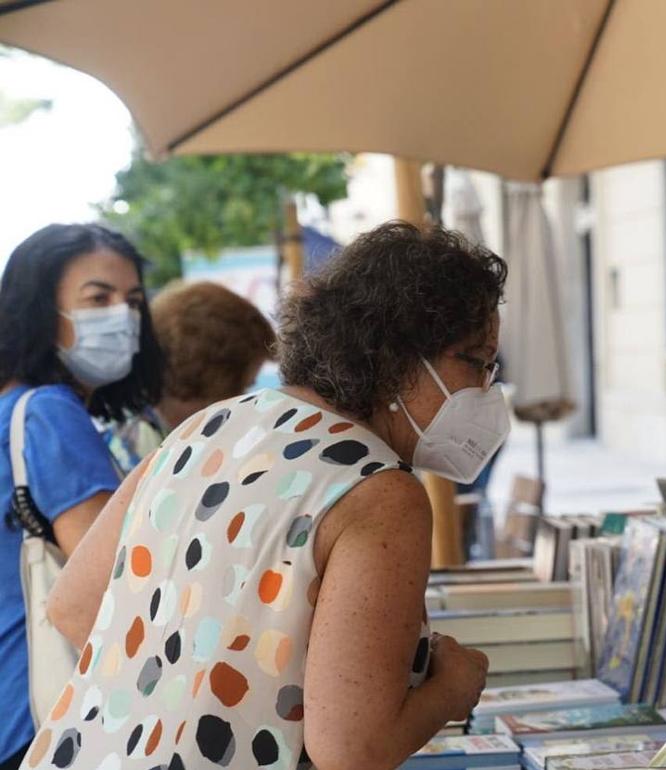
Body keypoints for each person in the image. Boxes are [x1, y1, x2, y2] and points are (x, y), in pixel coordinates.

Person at [30, 222, 500, 770]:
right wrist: (454, 687)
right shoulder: (380, 491)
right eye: (475, 360)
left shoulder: (206, 427)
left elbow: (74, 605)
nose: (486, 387)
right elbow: (353, 751)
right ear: (398, 353)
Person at [0, 223, 163, 769]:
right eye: (98, 298)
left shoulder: (10, 410)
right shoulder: (49, 411)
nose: (122, 315)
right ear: (40, 311)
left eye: (134, 301)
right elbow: (109, 583)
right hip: (45, 713)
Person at [103, 281, 276, 472]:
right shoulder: (141, 444)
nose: (239, 399)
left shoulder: (131, 421)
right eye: (242, 387)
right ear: (215, 379)